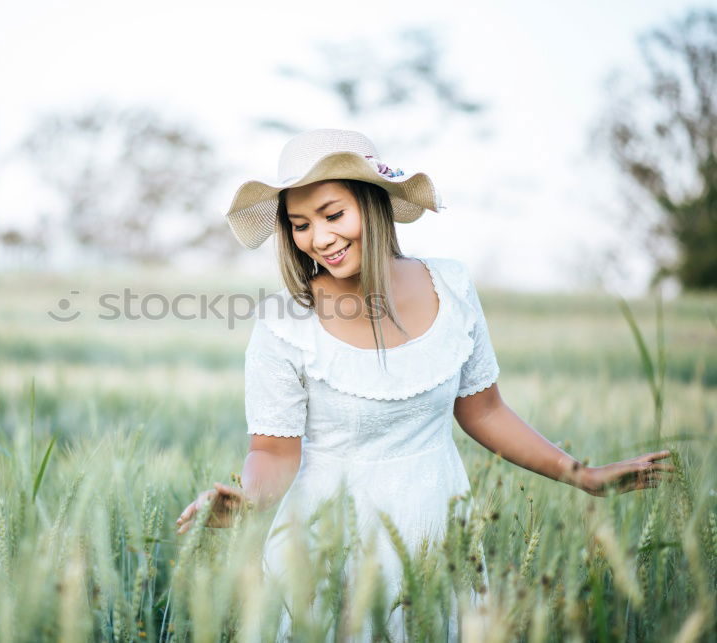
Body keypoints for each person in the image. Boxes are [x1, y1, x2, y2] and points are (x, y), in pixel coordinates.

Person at [174, 129, 674, 641]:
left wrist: (583, 476)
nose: (318, 238)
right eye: (300, 225)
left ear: (372, 205)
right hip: (327, 545)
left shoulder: (452, 286)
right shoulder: (283, 321)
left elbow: (484, 410)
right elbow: (274, 452)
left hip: (436, 536)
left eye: (332, 214)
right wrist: (249, 498)